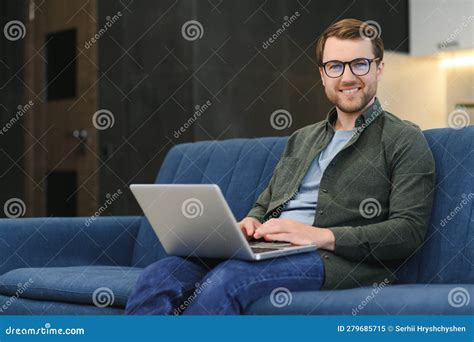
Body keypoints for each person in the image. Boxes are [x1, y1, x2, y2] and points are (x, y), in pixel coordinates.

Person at [125, 18, 435, 315]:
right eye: (335, 66)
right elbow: (267, 201)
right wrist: (250, 222)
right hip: (270, 248)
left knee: (228, 281)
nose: (347, 77)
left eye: (360, 64)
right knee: (159, 276)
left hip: (331, 259)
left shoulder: (404, 138)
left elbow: (408, 232)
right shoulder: (301, 139)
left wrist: (319, 235)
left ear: (379, 68)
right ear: (323, 75)